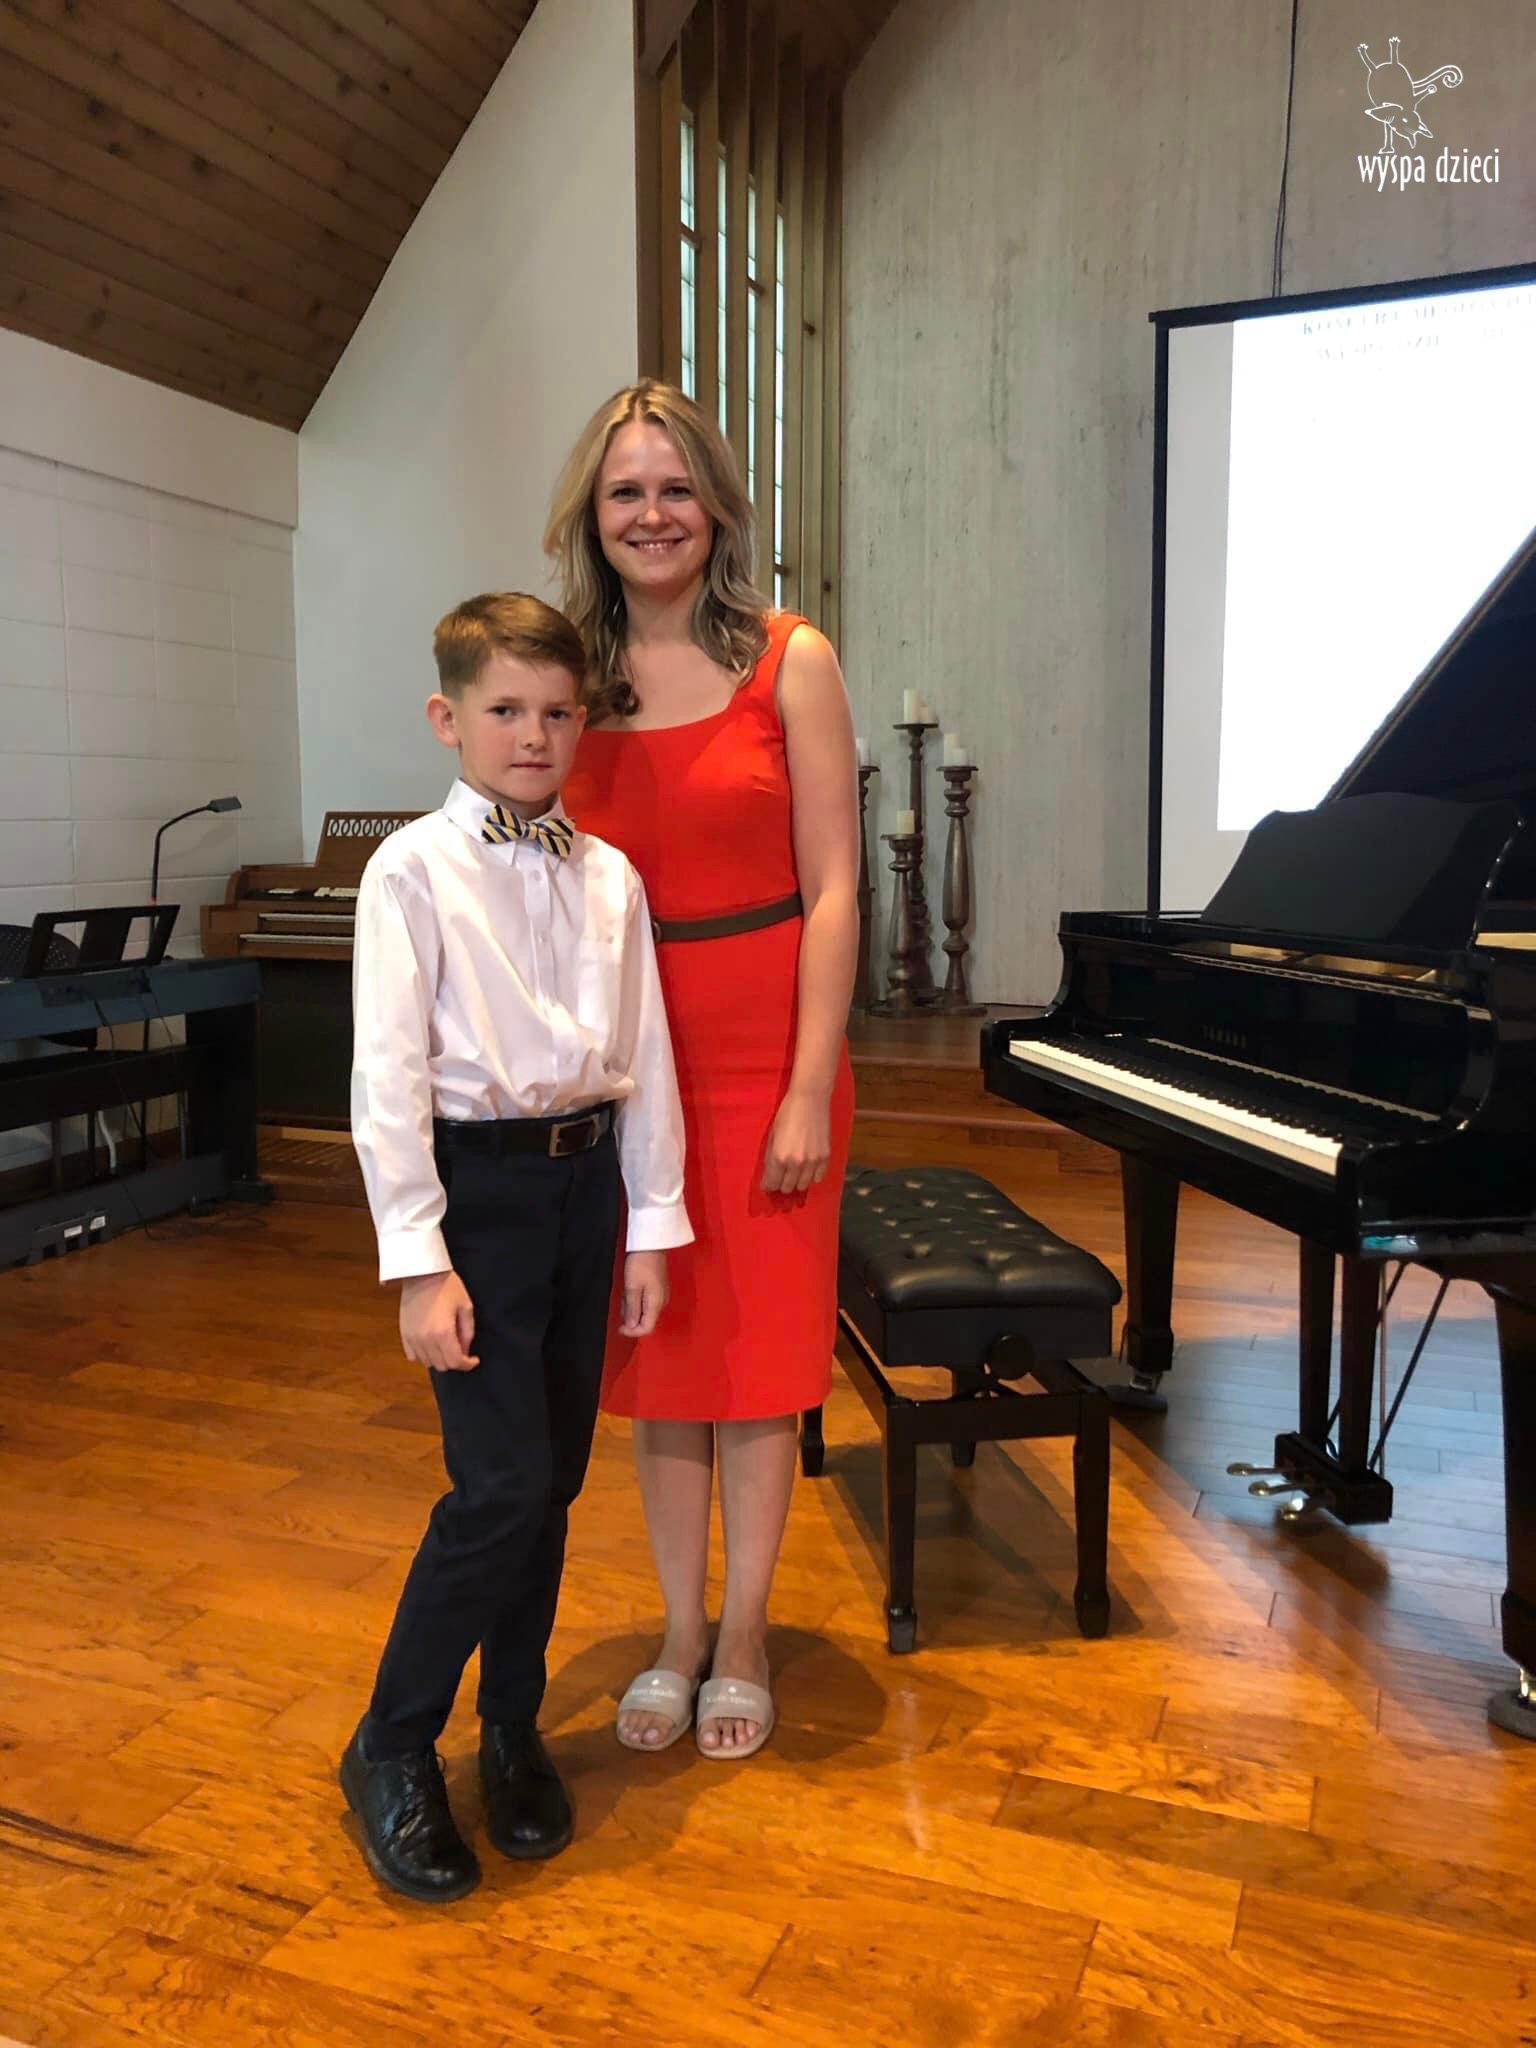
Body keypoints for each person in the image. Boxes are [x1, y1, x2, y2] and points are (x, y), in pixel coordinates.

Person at [342, 591, 692, 1902]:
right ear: (449, 718)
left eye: (556, 711)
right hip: (476, 1198)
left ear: (582, 720)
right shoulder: (410, 872)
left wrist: (650, 1226)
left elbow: (644, 1059)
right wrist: (418, 1260)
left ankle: (511, 1725)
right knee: (497, 1488)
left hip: (584, 1193)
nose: (534, 734)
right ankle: (391, 1741)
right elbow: (386, 1079)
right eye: (505, 710)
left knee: (548, 1488)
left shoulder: (611, 877)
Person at [551, 381, 859, 1761]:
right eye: (627, 491)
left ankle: (744, 1636)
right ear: (593, 515)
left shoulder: (791, 658)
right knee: (661, 1351)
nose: (654, 513)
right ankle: (678, 1633)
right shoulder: (573, 679)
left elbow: (836, 888)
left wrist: (807, 1081)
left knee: (759, 1355)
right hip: (628, 1067)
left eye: (676, 488)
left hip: (763, 1052)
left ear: (718, 506)